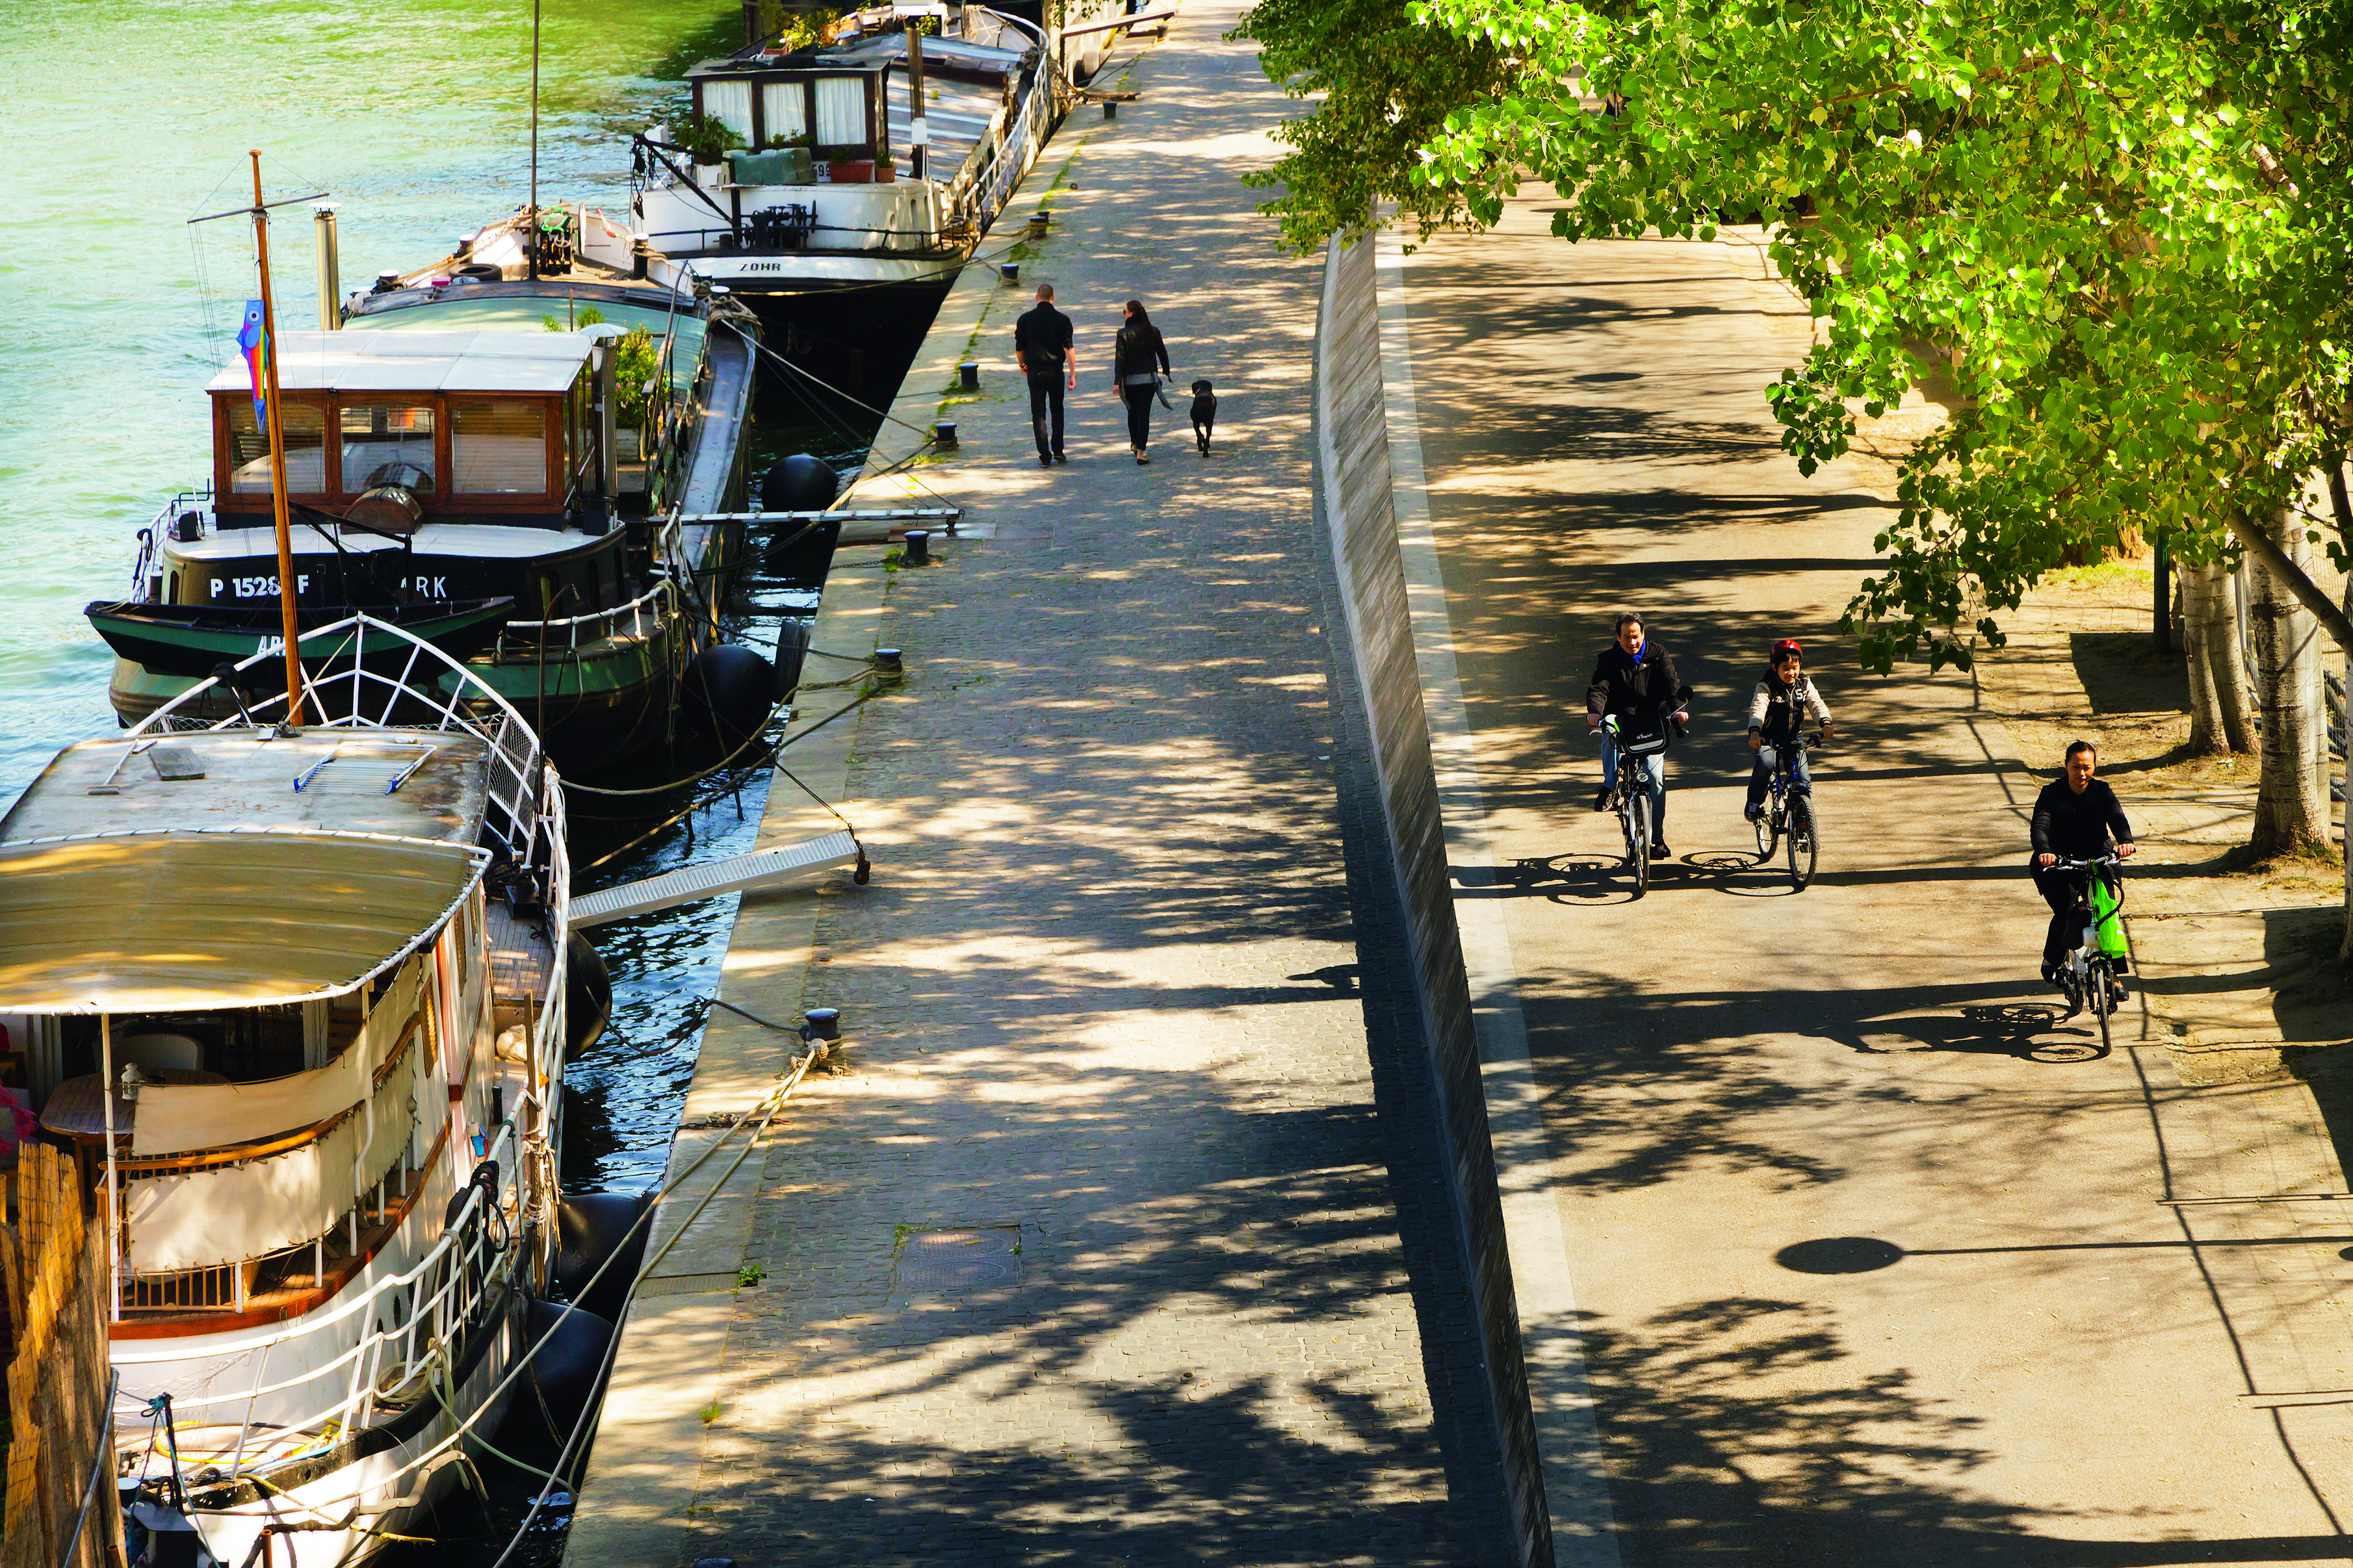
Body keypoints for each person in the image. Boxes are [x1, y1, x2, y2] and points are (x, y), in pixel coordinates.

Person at [2031, 739, 2138, 992]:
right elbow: (2040, 825)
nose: (2082, 773)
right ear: (2066, 765)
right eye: (2076, 767)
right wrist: (2045, 852)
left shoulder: (2102, 791)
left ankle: (2115, 976)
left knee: (2107, 913)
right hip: (2059, 863)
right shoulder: (2051, 794)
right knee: (2067, 910)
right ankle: (2052, 960)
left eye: (2087, 768)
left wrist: (2125, 841)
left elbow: (2116, 817)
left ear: (2094, 767)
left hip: (2097, 860)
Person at [1585, 611, 1687, 858]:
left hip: (1653, 720)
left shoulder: (1658, 654)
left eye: (1636, 636)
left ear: (1643, 633)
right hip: (1622, 720)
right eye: (1626, 637)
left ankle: (1658, 839)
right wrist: (1595, 712)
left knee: (1657, 781)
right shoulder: (1609, 660)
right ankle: (1610, 786)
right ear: (1618, 637)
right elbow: (1598, 688)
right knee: (1607, 728)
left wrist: (1678, 711)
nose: (1632, 642)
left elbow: (1672, 684)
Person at [1744, 638, 1835, 821]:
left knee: (1802, 778)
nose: (1791, 673)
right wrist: (1755, 732)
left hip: (1794, 738)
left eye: (1795, 667)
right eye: (1785, 668)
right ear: (1774, 667)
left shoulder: (1804, 684)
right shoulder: (1766, 685)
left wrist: (1825, 724)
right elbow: (1758, 708)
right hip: (1767, 738)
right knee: (1765, 763)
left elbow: (1816, 704)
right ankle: (1754, 801)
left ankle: (1803, 822)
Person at [1013, 283, 1076, 469]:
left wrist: (1022, 364)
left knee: (1038, 414)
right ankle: (1058, 449)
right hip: (1056, 371)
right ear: (1053, 297)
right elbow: (1069, 349)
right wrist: (1073, 374)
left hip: (1035, 372)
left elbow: (1019, 348)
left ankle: (1044, 454)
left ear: (1036, 297)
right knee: (1057, 409)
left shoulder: (1025, 319)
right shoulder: (1062, 320)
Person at [1111, 300, 1171, 464]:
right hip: (1148, 380)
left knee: (1132, 411)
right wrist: (1166, 371)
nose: (1124, 314)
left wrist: (1117, 381)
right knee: (1144, 415)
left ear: (1131, 314)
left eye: (1125, 311)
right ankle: (1141, 452)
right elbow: (1162, 353)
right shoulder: (1153, 331)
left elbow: (1120, 360)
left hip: (1130, 382)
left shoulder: (1123, 333)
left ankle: (1135, 442)